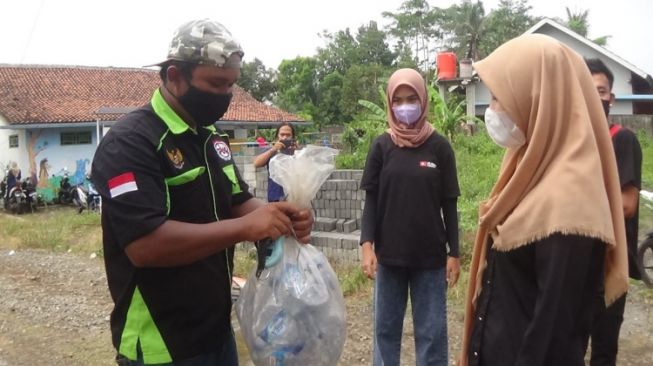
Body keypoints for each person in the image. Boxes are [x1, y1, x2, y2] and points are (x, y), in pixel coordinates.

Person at [91, 19, 313, 366]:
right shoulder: (130, 142)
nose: (225, 96)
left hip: (216, 331)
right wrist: (247, 228)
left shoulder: (211, 137)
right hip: (160, 344)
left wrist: (282, 215)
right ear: (175, 76)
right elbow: (145, 245)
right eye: (216, 84)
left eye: (231, 86)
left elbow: (238, 201)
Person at [459, 34, 629, 366]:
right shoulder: (526, 167)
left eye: (499, 98)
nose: (491, 111)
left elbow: (552, 340)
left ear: (540, 98)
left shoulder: (571, 202)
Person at [359, 68, 461, 366]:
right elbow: (372, 200)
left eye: (411, 98)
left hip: (430, 260)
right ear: (390, 104)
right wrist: (367, 245)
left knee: (432, 335)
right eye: (398, 100)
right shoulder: (381, 146)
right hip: (389, 258)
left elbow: (450, 204)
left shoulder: (440, 147)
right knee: (386, 333)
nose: (405, 106)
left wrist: (454, 253)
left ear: (424, 99)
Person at [585, 58, 642, 366]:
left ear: (611, 98)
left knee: (604, 350)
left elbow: (627, 205)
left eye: (602, 91)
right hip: (577, 264)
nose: (596, 98)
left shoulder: (623, 140)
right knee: (569, 343)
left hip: (610, 264)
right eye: (588, 91)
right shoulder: (575, 145)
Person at [253, 122, 298, 202]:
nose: (285, 138)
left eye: (288, 135)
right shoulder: (271, 151)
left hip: (293, 199)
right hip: (275, 199)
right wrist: (273, 149)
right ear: (277, 136)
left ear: (293, 137)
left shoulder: (297, 152)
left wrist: (296, 152)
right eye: (282, 134)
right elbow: (256, 163)